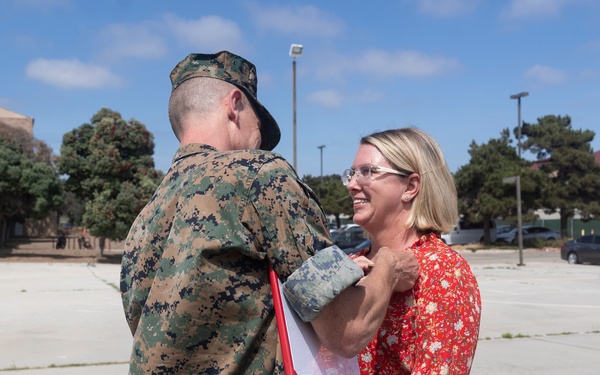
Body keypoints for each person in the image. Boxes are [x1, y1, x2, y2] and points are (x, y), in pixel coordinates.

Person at [120, 51, 419, 374]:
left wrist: (340, 272)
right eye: (258, 125)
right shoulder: (258, 175)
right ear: (234, 105)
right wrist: (388, 265)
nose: (259, 143)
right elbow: (345, 330)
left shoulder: (146, 218)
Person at [343, 127, 481, 374]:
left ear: (410, 187)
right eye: (352, 173)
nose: (352, 185)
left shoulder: (443, 271)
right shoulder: (351, 263)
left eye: (366, 172)